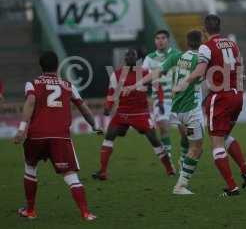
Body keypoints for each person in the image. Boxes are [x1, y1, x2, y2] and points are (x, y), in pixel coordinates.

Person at [173, 14, 246, 197]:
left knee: (216, 142)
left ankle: (232, 187)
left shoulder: (206, 46)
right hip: (237, 95)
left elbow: (200, 70)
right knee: (225, 135)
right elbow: (240, 68)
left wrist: (184, 82)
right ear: (220, 27)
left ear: (205, 29)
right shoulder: (232, 44)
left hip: (220, 98)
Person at [13, 51, 99, 221]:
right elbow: (84, 108)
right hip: (60, 137)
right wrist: (95, 126)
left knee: (30, 168)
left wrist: (22, 128)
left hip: (36, 135)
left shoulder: (32, 84)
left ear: (41, 66)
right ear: (58, 65)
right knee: (70, 175)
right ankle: (85, 213)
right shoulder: (68, 85)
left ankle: (30, 211)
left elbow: (30, 102)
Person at [124, 30, 205, 195]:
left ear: (186, 42)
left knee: (188, 140)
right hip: (190, 109)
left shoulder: (177, 56)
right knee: (196, 147)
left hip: (177, 107)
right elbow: (204, 73)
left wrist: (133, 85)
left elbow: (155, 73)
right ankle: (180, 185)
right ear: (201, 42)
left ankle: (182, 165)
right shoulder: (202, 58)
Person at [92, 49, 175, 181]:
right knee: (109, 136)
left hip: (141, 113)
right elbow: (111, 93)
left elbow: (157, 86)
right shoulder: (117, 74)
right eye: (128, 55)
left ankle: (169, 168)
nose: (130, 57)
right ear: (125, 58)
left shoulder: (144, 72)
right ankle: (102, 171)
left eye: (133, 55)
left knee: (154, 139)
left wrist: (159, 101)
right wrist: (108, 106)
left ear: (137, 58)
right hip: (122, 113)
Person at [142, 29, 181, 159]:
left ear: (168, 40)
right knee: (163, 128)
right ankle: (168, 159)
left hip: (178, 98)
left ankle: (184, 159)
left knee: (185, 132)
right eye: (157, 38)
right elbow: (143, 76)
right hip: (160, 99)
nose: (160, 41)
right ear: (154, 41)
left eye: (163, 38)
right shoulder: (149, 58)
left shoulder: (176, 54)